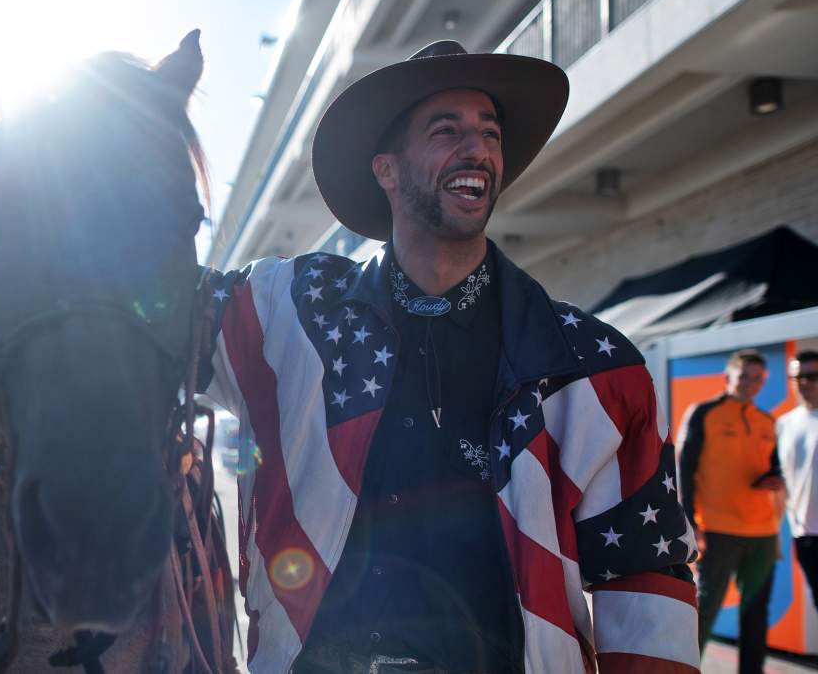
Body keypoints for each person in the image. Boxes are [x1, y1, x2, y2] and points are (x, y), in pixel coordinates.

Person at [201, 41, 699, 674]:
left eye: (489, 133)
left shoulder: (590, 366)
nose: (479, 149)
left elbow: (643, 571)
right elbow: (145, 316)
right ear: (386, 169)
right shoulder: (291, 311)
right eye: (447, 130)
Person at [678, 349, 782, 673]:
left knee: (755, 612)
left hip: (763, 532)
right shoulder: (703, 413)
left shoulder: (768, 421)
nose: (750, 384)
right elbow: (684, 468)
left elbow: (775, 469)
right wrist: (691, 521)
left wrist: (774, 479)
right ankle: (684, 668)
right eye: (744, 376)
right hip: (719, 529)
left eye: (757, 379)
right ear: (728, 377)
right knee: (705, 608)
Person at [778, 350, 818, 608]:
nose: (804, 383)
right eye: (798, 377)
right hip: (804, 533)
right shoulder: (784, 423)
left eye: (812, 376)